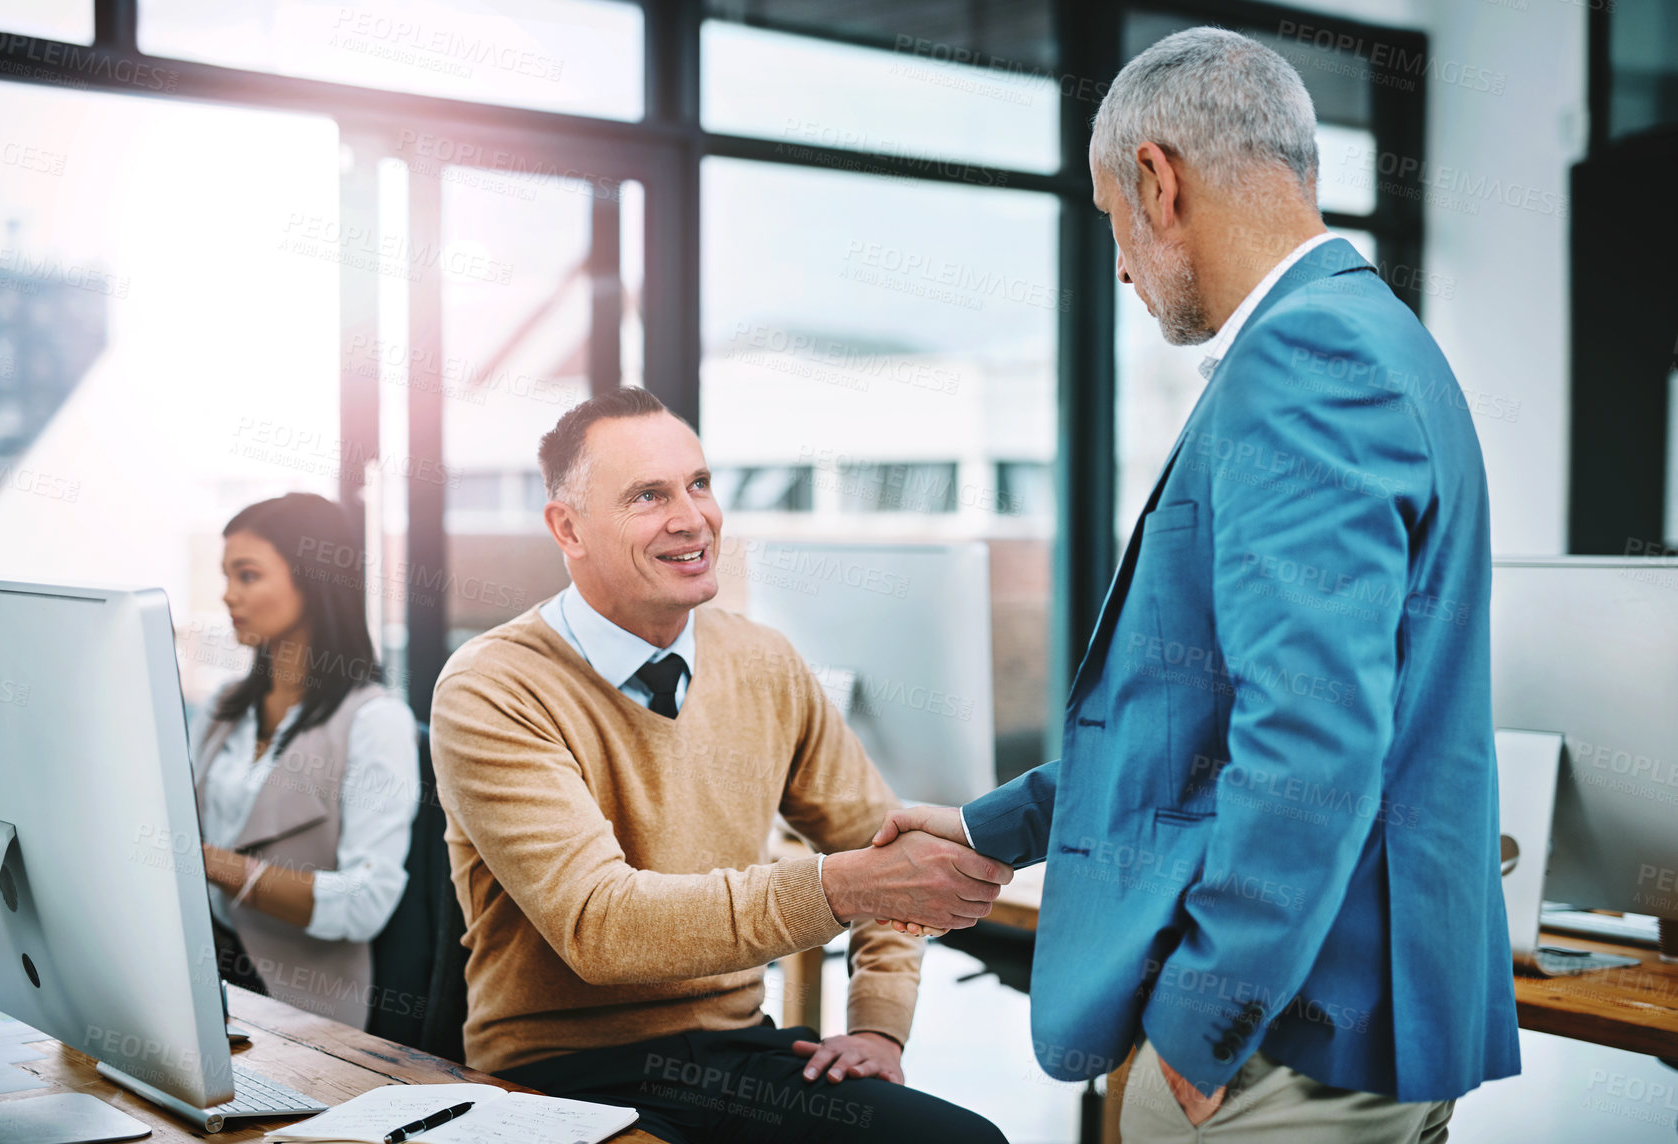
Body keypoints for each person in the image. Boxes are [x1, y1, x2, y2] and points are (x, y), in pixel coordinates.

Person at [873, 26, 1520, 1142]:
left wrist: (1196, 1022)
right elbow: (1200, 712)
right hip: (1340, 1012)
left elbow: (1310, 739)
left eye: (1110, 222)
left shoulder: (1307, 362)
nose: (1119, 266)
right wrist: (1002, 826)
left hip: (1288, 1030)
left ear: (1156, 181)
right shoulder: (1367, 335)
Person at [428, 387, 1010, 1143]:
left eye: (698, 484)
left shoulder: (761, 660)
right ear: (566, 528)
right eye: (648, 495)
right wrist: (840, 887)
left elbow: (885, 852)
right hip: (559, 1072)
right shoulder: (493, 686)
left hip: (733, 1054)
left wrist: (879, 1028)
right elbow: (602, 928)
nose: (691, 517)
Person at [195, 492, 419, 1030]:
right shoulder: (223, 708)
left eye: (247, 576)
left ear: (313, 578)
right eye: (226, 577)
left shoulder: (374, 721)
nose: (228, 596)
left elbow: (367, 901)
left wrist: (205, 861)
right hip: (203, 983)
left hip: (301, 1010)